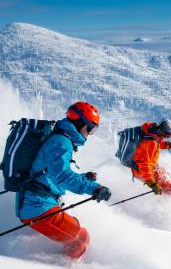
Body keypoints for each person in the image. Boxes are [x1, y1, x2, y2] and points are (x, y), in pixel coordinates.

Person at [17, 102, 112, 260]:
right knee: (81, 239)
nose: (89, 134)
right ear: (81, 123)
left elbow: (51, 173)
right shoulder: (61, 142)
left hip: (37, 203)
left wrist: (83, 178)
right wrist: (94, 188)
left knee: (76, 234)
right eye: (91, 129)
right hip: (38, 206)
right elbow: (62, 176)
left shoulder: (60, 138)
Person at [131, 119, 171, 195]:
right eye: (168, 135)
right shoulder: (151, 142)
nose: (167, 137)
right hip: (142, 171)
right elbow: (144, 164)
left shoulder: (151, 131)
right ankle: (169, 203)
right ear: (165, 131)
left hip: (147, 167)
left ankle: (165, 193)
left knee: (169, 175)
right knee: (170, 187)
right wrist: (152, 183)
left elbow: (156, 144)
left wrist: (169, 145)